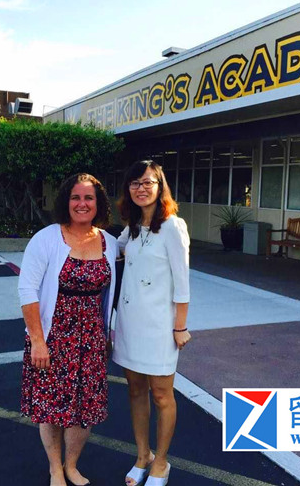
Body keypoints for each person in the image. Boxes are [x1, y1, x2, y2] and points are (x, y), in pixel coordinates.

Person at [18, 173, 117, 486]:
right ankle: (55, 468)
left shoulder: (109, 242)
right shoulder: (47, 238)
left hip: (92, 339)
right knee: (51, 405)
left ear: (98, 203)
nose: (82, 204)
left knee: (85, 408)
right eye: (76, 197)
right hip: (54, 336)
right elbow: (27, 290)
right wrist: (38, 341)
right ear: (66, 201)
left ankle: (72, 465)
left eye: (89, 198)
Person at [112, 160, 191, 486]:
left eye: (148, 182)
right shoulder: (132, 226)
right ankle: (142, 455)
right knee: (135, 390)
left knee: (161, 395)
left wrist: (180, 326)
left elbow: (182, 283)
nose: (141, 188)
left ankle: (161, 462)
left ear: (160, 187)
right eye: (135, 183)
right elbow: (112, 248)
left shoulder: (173, 226)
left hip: (160, 326)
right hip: (129, 322)